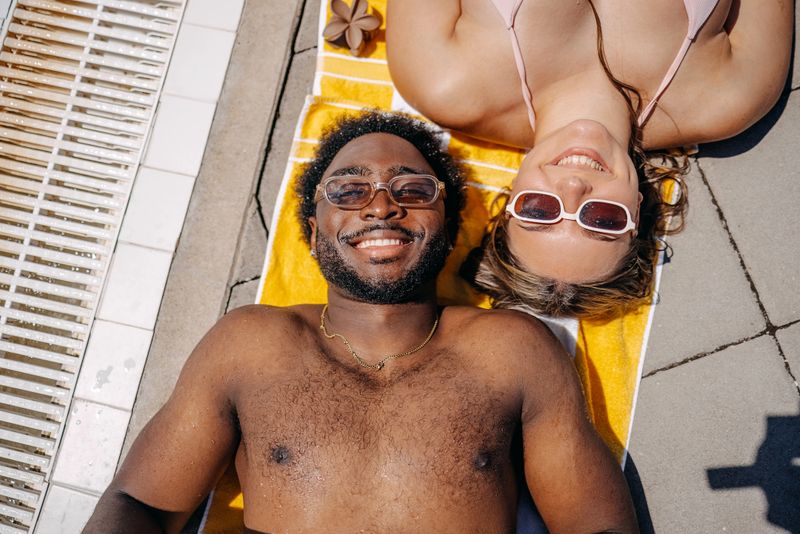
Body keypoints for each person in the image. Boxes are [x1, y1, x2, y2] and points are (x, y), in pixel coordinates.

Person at [84, 111, 638, 533]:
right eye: (348, 190)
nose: (379, 206)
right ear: (314, 225)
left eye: (412, 189)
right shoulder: (250, 344)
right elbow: (142, 503)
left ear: (445, 223)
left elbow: (597, 525)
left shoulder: (512, 349)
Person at [386, 0, 793, 318]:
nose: (574, 187)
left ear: (511, 200)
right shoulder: (728, 100)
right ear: (638, 212)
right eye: (602, 219)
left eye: (541, 210)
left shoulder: (443, 81)